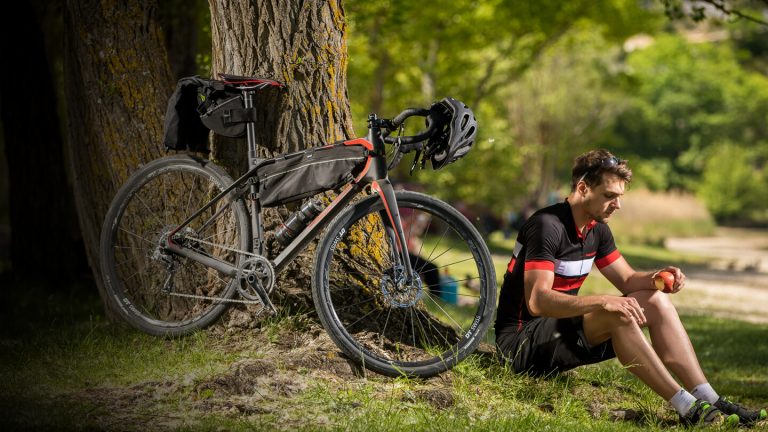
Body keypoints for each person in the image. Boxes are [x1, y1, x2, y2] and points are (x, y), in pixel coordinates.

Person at [495, 149, 766, 427]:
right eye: (609, 196)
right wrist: (602, 301)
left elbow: (627, 279)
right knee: (616, 312)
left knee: (656, 301)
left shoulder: (596, 229)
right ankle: (688, 409)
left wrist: (656, 277)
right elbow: (538, 302)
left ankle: (709, 398)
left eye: (620, 197)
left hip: (560, 335)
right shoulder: (547, 226)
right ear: (583, 188)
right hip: (519, 345)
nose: (618, 205)